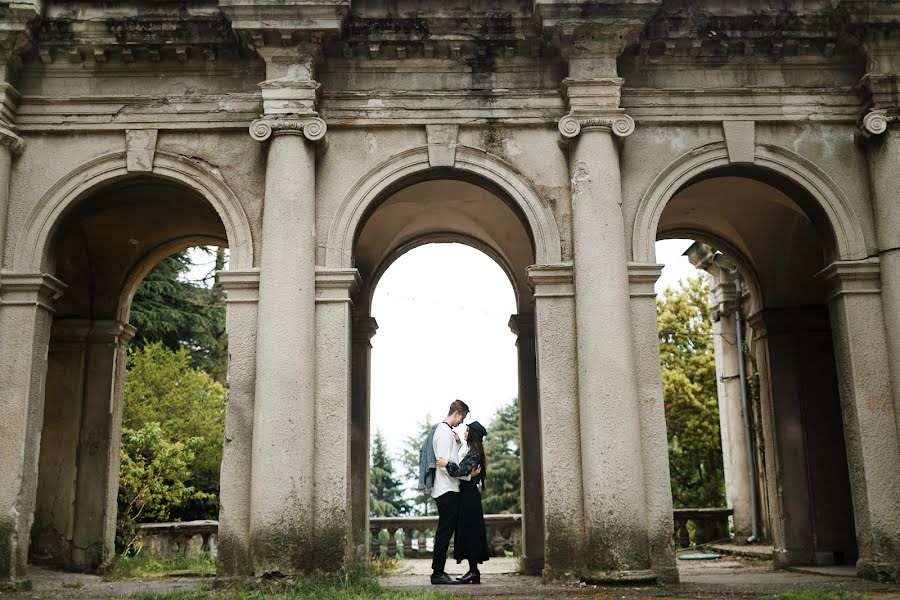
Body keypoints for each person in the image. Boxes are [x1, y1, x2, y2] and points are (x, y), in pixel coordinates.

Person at [437, 420, 490, 584]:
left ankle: (474, 572)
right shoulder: (474, 452)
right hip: (468, 497)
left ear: (472, 434)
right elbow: (465, 471)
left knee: (470, 533)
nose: (464, 433)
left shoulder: (474, 453)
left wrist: (446, 464)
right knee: (469, 533)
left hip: (469, 499)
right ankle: (473, 572)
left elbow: (460, 470)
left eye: (467, 431)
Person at [426, 400, 469, 585]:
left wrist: (458, 445)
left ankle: (438, 571)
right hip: (447, 489)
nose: (462, 422)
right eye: (463, 417)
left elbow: (449, 458)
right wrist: (465, 475)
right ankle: (437, 573)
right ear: (457, 413)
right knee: (444, 533)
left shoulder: (447, 432)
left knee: (445, 531)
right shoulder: (443, 431)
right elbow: (443, 464)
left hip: (449, 488)